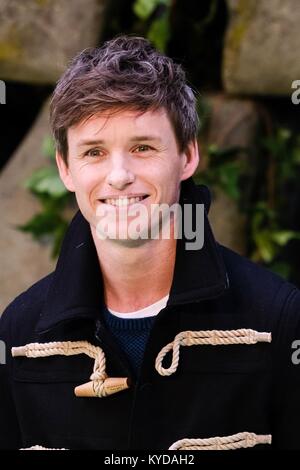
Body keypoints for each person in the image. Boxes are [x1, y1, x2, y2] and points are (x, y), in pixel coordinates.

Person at [1, 35, 300, 451]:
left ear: (188, 155)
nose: (119, 175)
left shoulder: (279, 320)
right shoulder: (18, 335)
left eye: (143, 147)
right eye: (93, 152)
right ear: (65, 168)